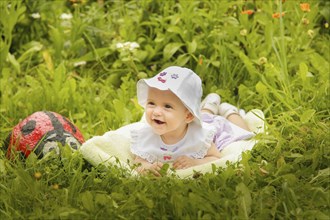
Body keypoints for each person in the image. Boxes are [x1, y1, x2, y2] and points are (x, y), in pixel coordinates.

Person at [131, 66, 254, 176]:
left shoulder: (200, 136)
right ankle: (209, 106)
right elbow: (139, 162)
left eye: (167, 106)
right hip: (189, 120)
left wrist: (195, 162)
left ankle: (229, 110)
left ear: (189, 116)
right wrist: (148, 167)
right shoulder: (145, 135)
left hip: (210, 125)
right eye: (151, 103)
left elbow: (215, 157)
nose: (156, 112)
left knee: (240, 131)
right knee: (204, 115)